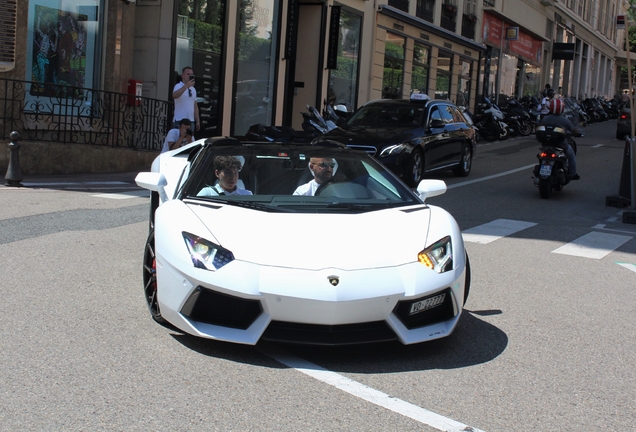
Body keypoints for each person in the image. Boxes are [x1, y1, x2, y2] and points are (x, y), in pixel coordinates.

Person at [539, 98, 582, 180]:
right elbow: (574, 131)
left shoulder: (545, 119)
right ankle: (573, 174)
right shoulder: (565, 120)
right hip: (561, 144)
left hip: (546, 144)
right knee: (572, 157)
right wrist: (578, 133)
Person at [172, 66, 200, 132]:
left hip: (190, 121)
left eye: (191, 75)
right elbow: (174, 95)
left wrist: (197, 121)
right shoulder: (178, 86)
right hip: (179, 120)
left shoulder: (193, 89)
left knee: (189, 141)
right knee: (178, 140)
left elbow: (195, 106)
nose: (189, 76)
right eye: (188, 74)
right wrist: (186, 86)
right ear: (183, 76)